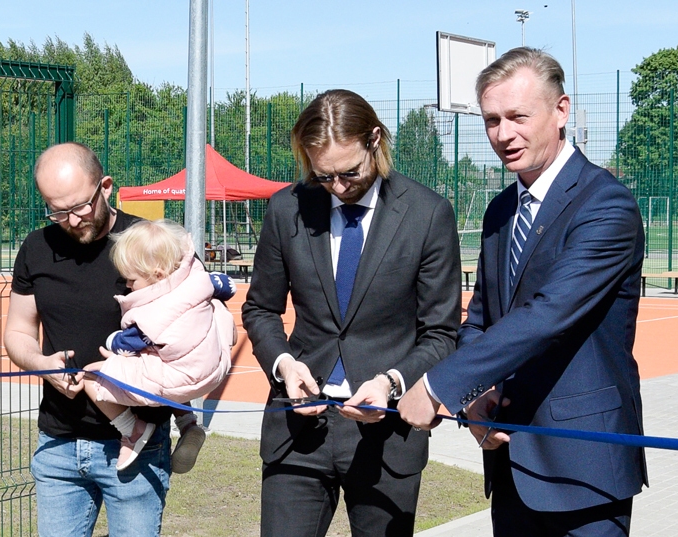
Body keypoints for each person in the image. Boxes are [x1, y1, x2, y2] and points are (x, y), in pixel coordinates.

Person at [399, 47, 648, 537]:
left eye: (518, 116)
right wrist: (474, 396)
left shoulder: (607, 206)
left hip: (585, 471)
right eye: (492, 120)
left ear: (561, 110)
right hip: (509, 460)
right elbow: (480, 319)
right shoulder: (499, 212)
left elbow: (549, 314)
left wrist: (437, 386)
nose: (503, 134)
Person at [241, 89, 462, 537]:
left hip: (388, 434)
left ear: (375, 140)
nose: (338, 187)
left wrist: (391, 383)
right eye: (324, 176)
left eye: (349, 173)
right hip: (298, 429)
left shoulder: (428, 213)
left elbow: (441, 333)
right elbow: (261, 309)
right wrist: (284, 365)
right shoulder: (287, 208)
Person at [3, 142, 173, 536]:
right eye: (56, 210)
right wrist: (40, 364)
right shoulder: (36, 248)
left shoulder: (149, 244)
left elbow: (195, 326)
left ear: (106, 187)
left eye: (80, 206)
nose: (72, 220)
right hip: (58, 443)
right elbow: (17, 332)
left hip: (135, 446)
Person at [83, 218, 235, 472]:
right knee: (165, 359)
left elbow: (126, 343)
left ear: (157, 275)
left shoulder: (153, 314)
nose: (128, 286)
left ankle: (132, 430)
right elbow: (226, 286)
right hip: (213, 363)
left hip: (186, 376)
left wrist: (111, 344)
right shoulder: (197, 279)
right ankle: (188, 422)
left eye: (131, 280)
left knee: (92, 374)